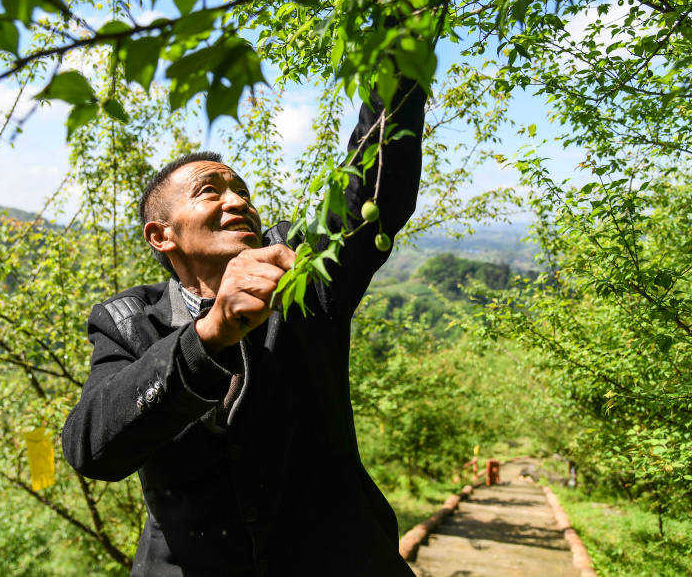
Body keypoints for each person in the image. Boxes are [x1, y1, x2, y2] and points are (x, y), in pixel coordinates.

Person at [62, 74, 426, 576]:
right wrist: (207, 337)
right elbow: (91, 447)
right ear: (161, 235)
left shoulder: (300, 267)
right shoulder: (126, 321)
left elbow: (374, 187)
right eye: (209, 192)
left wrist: (399, 47)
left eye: (243, 192)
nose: (237, 201)